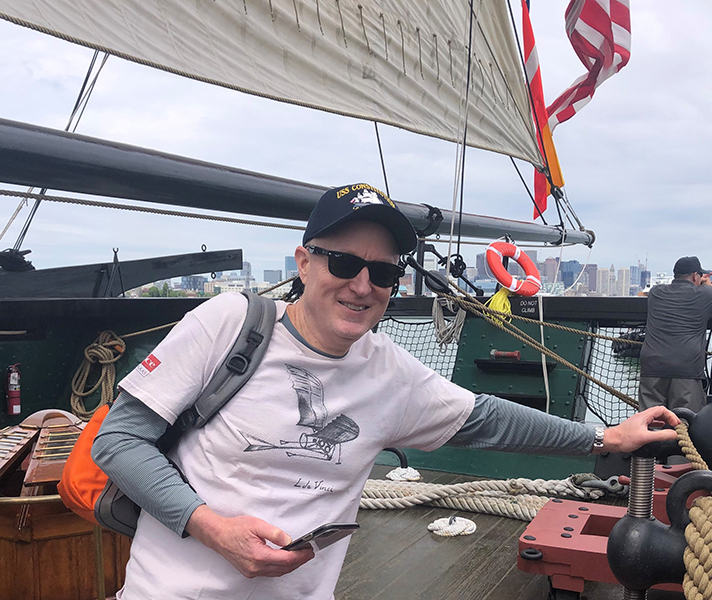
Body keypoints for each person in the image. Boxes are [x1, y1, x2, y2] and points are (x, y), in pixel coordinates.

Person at [92, 183, 680, 600]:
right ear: (303, 262)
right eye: (344, 262)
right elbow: (119, 441)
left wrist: (608, 435)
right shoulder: (230, 323)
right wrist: (210, 527)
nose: (363, 284)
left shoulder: (389, 373)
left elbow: (488, 420)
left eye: (385, 272)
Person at [639, 256, 712, 413]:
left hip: (652, 365)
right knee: (685, 421)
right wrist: (706, 283)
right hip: (686, 367)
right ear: (695, 275)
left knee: (650, 421)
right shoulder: (704, 294)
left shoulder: (656, 293)